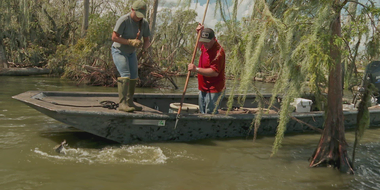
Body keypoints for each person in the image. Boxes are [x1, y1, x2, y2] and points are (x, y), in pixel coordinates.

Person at [111, 0, 150, 112]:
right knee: (125, 74)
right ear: (132, 10)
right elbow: (114, 37)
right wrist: (130, 42)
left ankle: (129, 101)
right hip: (119, 50)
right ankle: (122, 104)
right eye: (137, 15)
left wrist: (145, 48)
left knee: (134, 76)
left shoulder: (144, 23)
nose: (139, 17)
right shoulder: (124, 20)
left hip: (131, 53)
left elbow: (147, 39)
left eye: (141, 15)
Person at [188, 25, 226, 114]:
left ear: (214, 39)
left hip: (214, 89)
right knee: (202, 112)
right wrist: (198, 34)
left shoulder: (218, 52)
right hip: (203, 87)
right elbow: (200, 45)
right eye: (203, 41)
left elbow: (214, 72)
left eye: (207, 42)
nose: (205, 44)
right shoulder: (206, 45)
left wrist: (195, 69)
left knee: (210, 113)